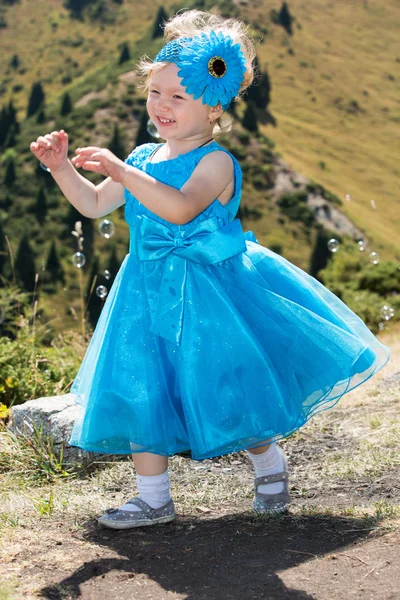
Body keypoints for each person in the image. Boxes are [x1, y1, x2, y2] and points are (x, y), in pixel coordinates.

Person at [30, 9, 390, 530]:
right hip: (146, 290)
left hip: (208, 292)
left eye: (178, 96)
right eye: (155, 93)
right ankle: (153, 499)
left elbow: (178, 209)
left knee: (226, 383)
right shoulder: (145, 156)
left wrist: (123, 171)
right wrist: (62, 167)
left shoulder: (216, 163)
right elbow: (92, 204)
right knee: (141, 386)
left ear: (215, 104)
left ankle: (267, 464)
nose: (162, 106)